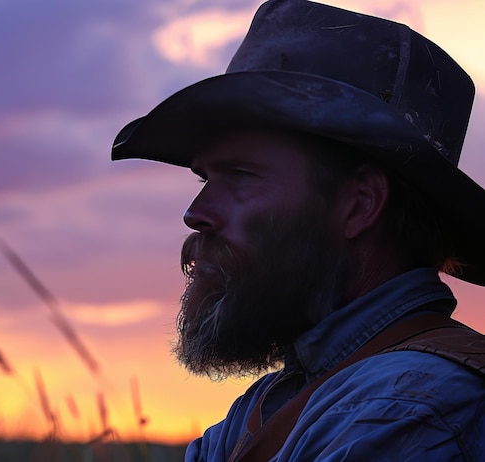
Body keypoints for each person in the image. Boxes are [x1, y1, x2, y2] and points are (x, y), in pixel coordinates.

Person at [112, 0, 485, 460]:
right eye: (206, 179)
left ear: (359, 205)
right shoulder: (270, 404)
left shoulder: (409, 407)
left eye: (241, 175)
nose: (196, 212)